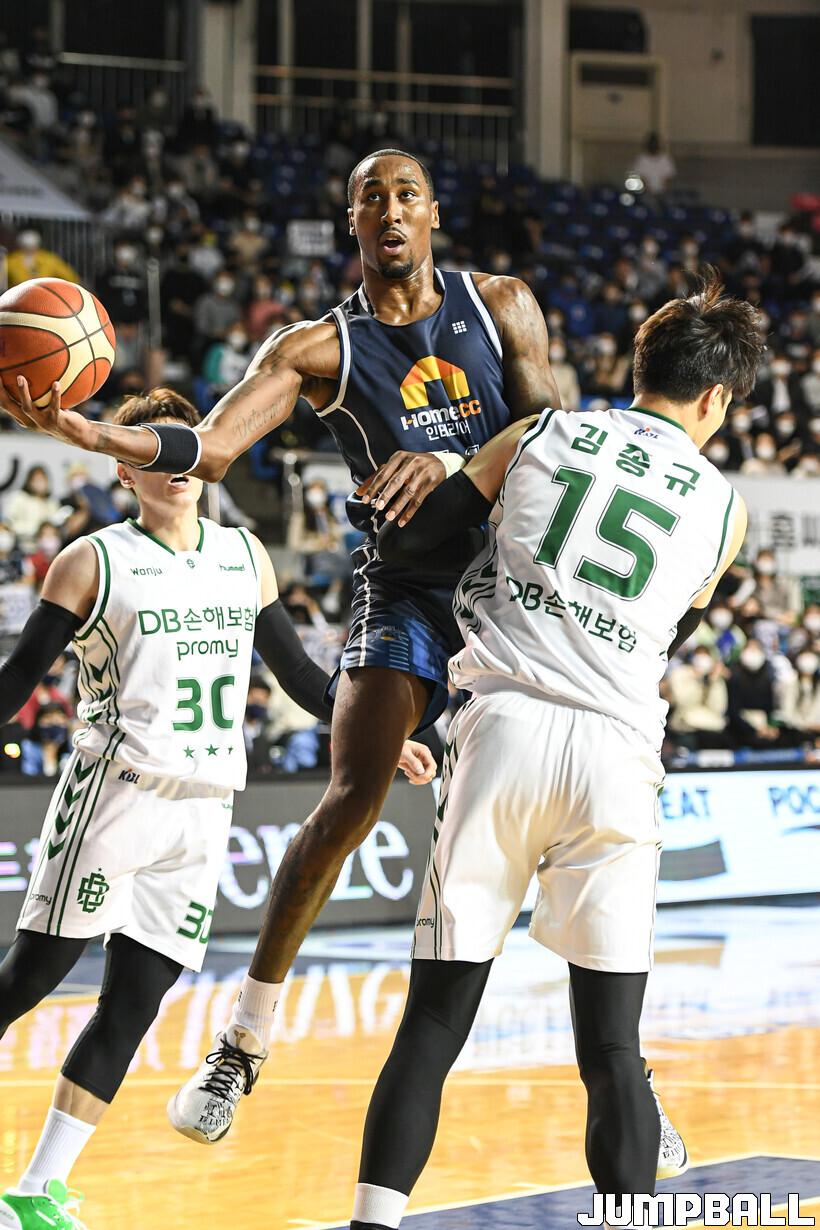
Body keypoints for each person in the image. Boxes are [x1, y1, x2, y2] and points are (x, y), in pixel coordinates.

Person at [0, 149, 674, 1174]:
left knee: (593, 806)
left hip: (515, 582)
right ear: (350, 221)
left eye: (407, 194)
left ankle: (630, 1080)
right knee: (354, 790)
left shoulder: (502, 304)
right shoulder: (317, 346)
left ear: (433, 213)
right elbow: (211, 450)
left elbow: (550, 436)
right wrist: (97, 437)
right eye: (371, 197)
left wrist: (452, 462)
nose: (390, 209)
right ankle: (243, 1041)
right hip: (404, 586)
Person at [347, 273, 762, 1230]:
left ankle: (374, 1220)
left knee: (435, 1021)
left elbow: (420, 542)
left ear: (638, 367)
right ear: (716, 398)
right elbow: (672, 630)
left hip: (506, 730)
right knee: (613, 1050)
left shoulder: (541, 433)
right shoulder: (725, 509)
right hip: (617, 749)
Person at [0, 387, 433, 1230]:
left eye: (188, 449)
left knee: (135, 1002)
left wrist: (383, 735)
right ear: (126, 469)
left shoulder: (243, 554)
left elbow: (300, 676)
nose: (177, 466)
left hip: (205, 810)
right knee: (29, 980)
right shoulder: (92, 560)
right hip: (115, 797)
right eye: (156, 453)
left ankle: (36, 1189)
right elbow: (17, 682)